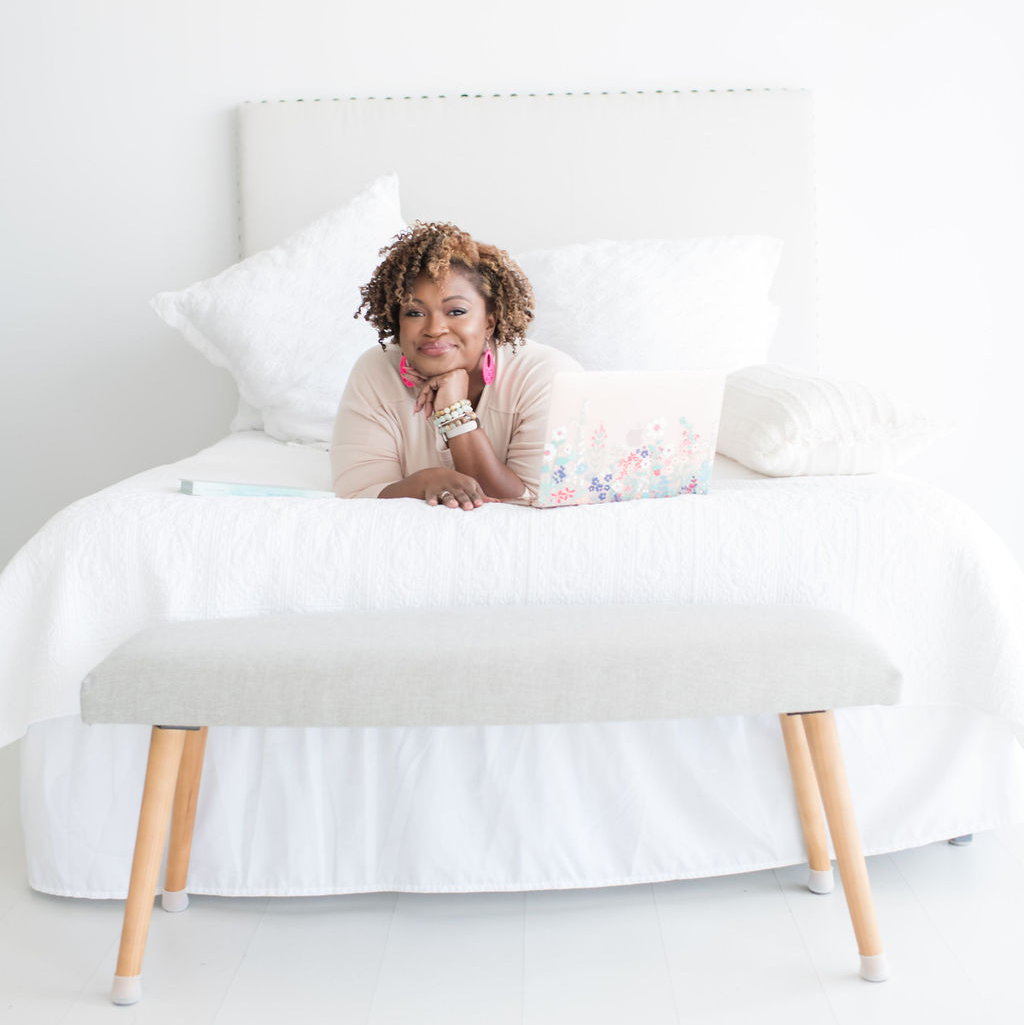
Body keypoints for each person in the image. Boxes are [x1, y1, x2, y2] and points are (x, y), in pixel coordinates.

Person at [331, 222, 581, 510]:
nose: (434, 328)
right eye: (414, 312)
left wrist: (454, 413)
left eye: (456, 311)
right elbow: (357, 498)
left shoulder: (547, 376)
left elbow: (534, 503)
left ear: (489, 321)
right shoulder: (376, 371)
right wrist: (425, 481)